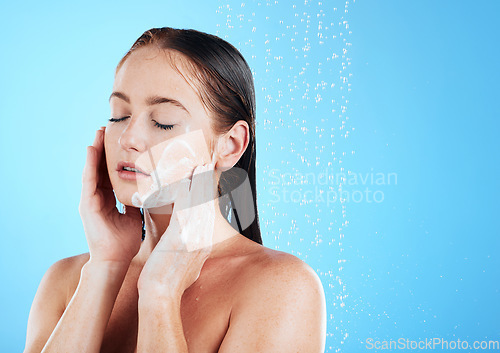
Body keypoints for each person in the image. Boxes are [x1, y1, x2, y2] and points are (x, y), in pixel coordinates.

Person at [23, 27, 326, 353]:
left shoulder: (281, 287)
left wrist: (161, 293)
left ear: (230, 145)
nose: (128, 139)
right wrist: (106, 267)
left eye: (163, 121)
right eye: (119, 116)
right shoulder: (66, 281)